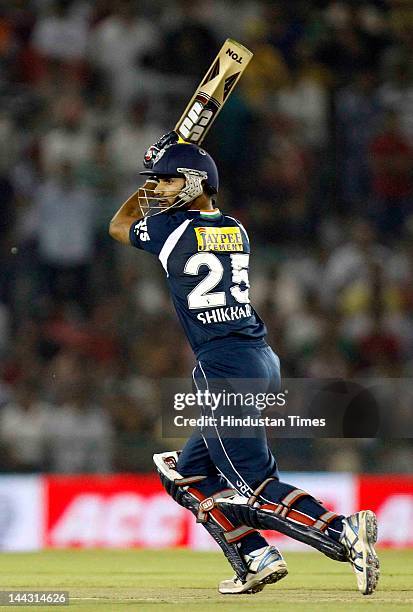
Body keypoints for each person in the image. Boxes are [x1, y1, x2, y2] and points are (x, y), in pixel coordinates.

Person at [109, 135, 380, 595]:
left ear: (195, 182)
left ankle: (342, 531)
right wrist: (172, 167)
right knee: (184, 472)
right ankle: (255, 556)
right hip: (259, 357)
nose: (158, 191)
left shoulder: (167, 229)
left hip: (225, 367)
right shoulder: (236, 228)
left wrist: (153, 181)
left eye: (166, 182)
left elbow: (118, 226)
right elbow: (187, 212)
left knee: (254, 483)